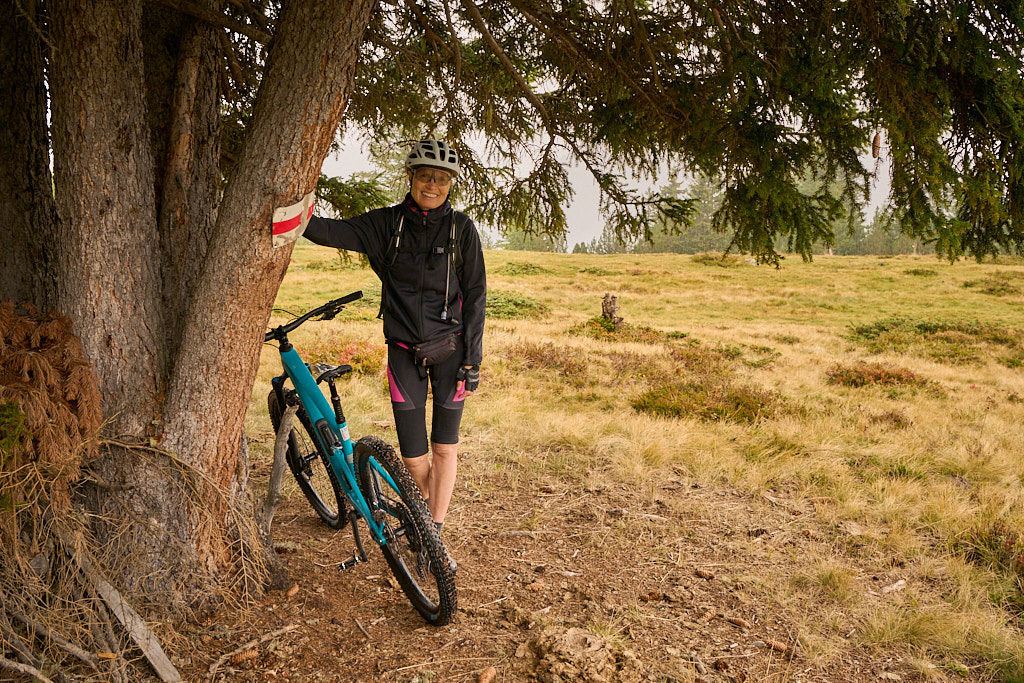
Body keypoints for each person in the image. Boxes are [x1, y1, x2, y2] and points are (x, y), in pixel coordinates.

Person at [302, 140, 486, 571]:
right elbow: (331, 231)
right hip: (403, 351)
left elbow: (476, 297)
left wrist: (472, 360)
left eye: (441, 179)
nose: (432, 185)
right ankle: (427, 528)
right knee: (413, 458)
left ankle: (431, 538)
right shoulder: (387, 224)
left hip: (451, 352)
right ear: (411, 177)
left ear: (450, 185)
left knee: (445, 450)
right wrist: (295, 213)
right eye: (425, 176)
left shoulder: (461, 230)